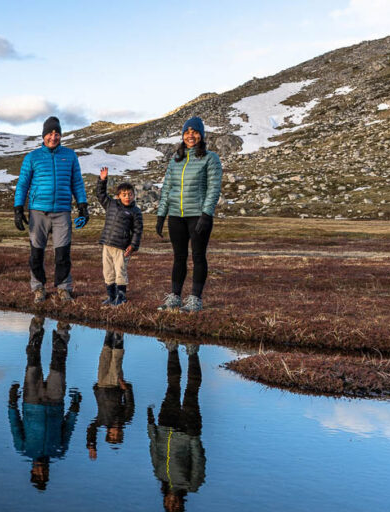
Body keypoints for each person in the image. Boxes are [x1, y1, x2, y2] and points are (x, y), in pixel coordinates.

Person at [14, 116, 89, 303]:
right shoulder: (32, 157)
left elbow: (77, 182)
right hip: (38, 212)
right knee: (36, 253)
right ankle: (38, 288)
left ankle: (64, 288)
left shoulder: (70, 156)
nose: (53, 137)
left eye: (57, 134)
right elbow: (22, 184)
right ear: (43, 135)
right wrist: (18, 208)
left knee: (63, 254)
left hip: (62, 211)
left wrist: (83, 206)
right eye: (50, 133)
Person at [155, 116, 222, 313]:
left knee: (198, 256)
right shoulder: (176, 160)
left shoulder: (210, 158)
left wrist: (206, 214)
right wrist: (161, 215)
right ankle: (175, 297)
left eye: (194, 132)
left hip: (198, 215)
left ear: (201, 135)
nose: (190, 136)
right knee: (179, 257)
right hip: (176, 215)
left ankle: (195, 299)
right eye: (187, 132)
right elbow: (167, 188)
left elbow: (213, 188)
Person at [8, 316, 81, 490]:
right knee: (58, 363)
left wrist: (12, 403)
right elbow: (68, 429)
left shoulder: (23, 448)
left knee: (33, 360)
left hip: (31, 402)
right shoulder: (59, 451)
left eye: (37, 474)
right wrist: (74, 409)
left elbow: (15, 425)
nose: (41, 471)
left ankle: (37, 324)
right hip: (56, 404)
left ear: (32, 470)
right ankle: (63, 328)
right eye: (44, 475)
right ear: (48, 473)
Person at [147, 341, 205, 512]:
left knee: (172, 386)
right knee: (192, 389)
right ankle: (192, 351)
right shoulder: (192, 485)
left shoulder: (159, 475)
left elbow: (154, 450)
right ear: (181, 506)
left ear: (164, 502)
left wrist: (151, 428)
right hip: (188, 431)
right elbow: (198, 460)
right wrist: (194, 439)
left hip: (164, 427)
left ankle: (172, 349)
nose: (172, 504)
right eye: (176, 507)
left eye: (168, 506)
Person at [96, 167, 143, 305]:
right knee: (107, 271)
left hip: (122, 247)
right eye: (124, 194)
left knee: (120, 272)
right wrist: (102, 180)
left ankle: (121, 297)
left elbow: (138, 230)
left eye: (130, 194)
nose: (127, 197)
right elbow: (100, 194)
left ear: (133, 196)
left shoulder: (135, 211)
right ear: (118, 196)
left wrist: (133, 246)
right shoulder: (110, 204)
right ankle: (111, 296)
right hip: (107, 244)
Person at [85, 331, 134, 460]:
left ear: (108, 432)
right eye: (117, 435)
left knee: (105, 356)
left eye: (112, 435)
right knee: (116, 360)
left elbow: (91, 429)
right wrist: (126, 389)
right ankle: (119, 335)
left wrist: (91, 444)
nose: (115, 432)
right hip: (115, 385)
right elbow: (130, 403)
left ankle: (109, 332)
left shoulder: (102, 421)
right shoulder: (125, 419)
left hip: (101, 384)